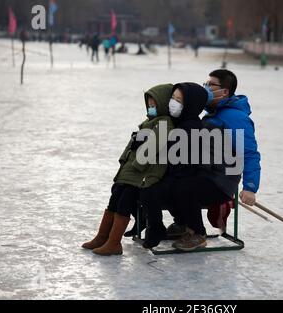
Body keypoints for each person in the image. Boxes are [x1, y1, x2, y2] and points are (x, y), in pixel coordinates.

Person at [169, 70, 262, 251]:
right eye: (206, 83)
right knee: (173, 179)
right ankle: (183, 223)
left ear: (225, 91)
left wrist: (250, 187)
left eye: (211, 84)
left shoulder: (236, 118)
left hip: (221, 180)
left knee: (185, 187)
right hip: (206, 172)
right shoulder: (212, 114)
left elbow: (249, 153)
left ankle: (197, 233)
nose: (206, 87)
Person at [82, 84, 174, 256]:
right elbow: (132, 146)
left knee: (125, 199)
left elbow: (150, 151)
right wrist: (124, 162)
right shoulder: (148, 122)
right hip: (135, 171)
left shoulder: (165, 124)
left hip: (146, 174)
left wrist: (135, 167)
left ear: (163, 104)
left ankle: (114, 243)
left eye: (155, 105)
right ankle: (103, 236)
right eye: (149, 105)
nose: (151, 108)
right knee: (115, 195)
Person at [139, 83, 209, 249]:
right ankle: (168, 225)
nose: (173, 103)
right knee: (146, 187)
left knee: (159, 188)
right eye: (173, 98)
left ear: (190, 104)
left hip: (187, 176)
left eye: (179, 100)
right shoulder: (177, 121)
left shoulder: (192, 127)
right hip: (175, 174)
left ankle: (197, 232)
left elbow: (177, 157)